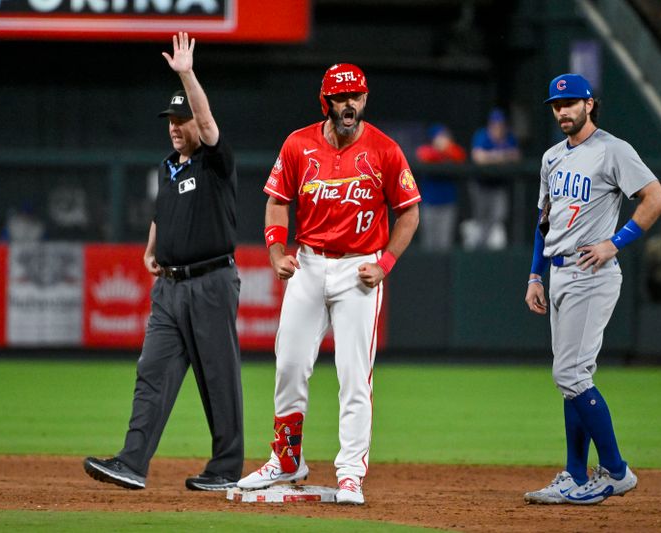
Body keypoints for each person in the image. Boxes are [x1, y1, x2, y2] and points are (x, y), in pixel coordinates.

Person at [236, 63, 421, 505]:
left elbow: (409, 212)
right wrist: (277, 251)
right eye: (340, 97)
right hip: (309, 264)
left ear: (365, 99)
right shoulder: (299, 144)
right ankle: (285, 459)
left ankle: (351, 474)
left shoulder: (385, 150)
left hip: (359, 269)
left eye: (355, 96)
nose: (349, 104)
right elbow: (277, 202)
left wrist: (387, 262)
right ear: (326, 102)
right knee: (288, 365)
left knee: (354, 376)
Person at [83, 32, 244, 492]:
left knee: (218, 378)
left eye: (182, 118)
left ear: (197, 121)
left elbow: (209, 124)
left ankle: (226, 468)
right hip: (170, 288)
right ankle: (132, 462)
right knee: (152, 371)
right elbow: (163, 213)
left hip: (211, 281)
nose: (175, 126)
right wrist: (151, 248)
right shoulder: (167, 166)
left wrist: (187, 74)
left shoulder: (216, 161)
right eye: (170, 119)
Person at [523, 73, 661, 505]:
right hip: (560, 271)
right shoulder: (551, 157)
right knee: (573, 378)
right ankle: (573, 473)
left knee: (569, 374)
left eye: (570, 103)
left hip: (592, 272)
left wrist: (615, 242)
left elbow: (656, 199)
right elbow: (543, 222)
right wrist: (535, 274)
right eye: (556, 105)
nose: (562, 111)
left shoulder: (613, 150)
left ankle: (616, 471)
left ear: (590, 104)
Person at [464, 108, 521, 250]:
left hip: (498, 185)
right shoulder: (482, 135)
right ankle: (476, 247)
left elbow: (516, 155)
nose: (498, 128)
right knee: (480, 220)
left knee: (498, 219)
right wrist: (501, 157)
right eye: (495, 125)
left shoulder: (509, 137)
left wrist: (492, 156)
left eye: (500, 125)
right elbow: (478, 157)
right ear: (490, 125)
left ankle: (491, 249)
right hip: (480, 184)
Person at [415, 124, 466, 251]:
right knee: (429, 244)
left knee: (444, 244)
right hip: (429, 204)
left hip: (447, 204)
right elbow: (422, 155)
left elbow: (461, 156)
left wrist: (446, 150)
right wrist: (440, 151)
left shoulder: (453, 151)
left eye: (445, 137)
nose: (443, 140)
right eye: (440, 137)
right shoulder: (427, 150)